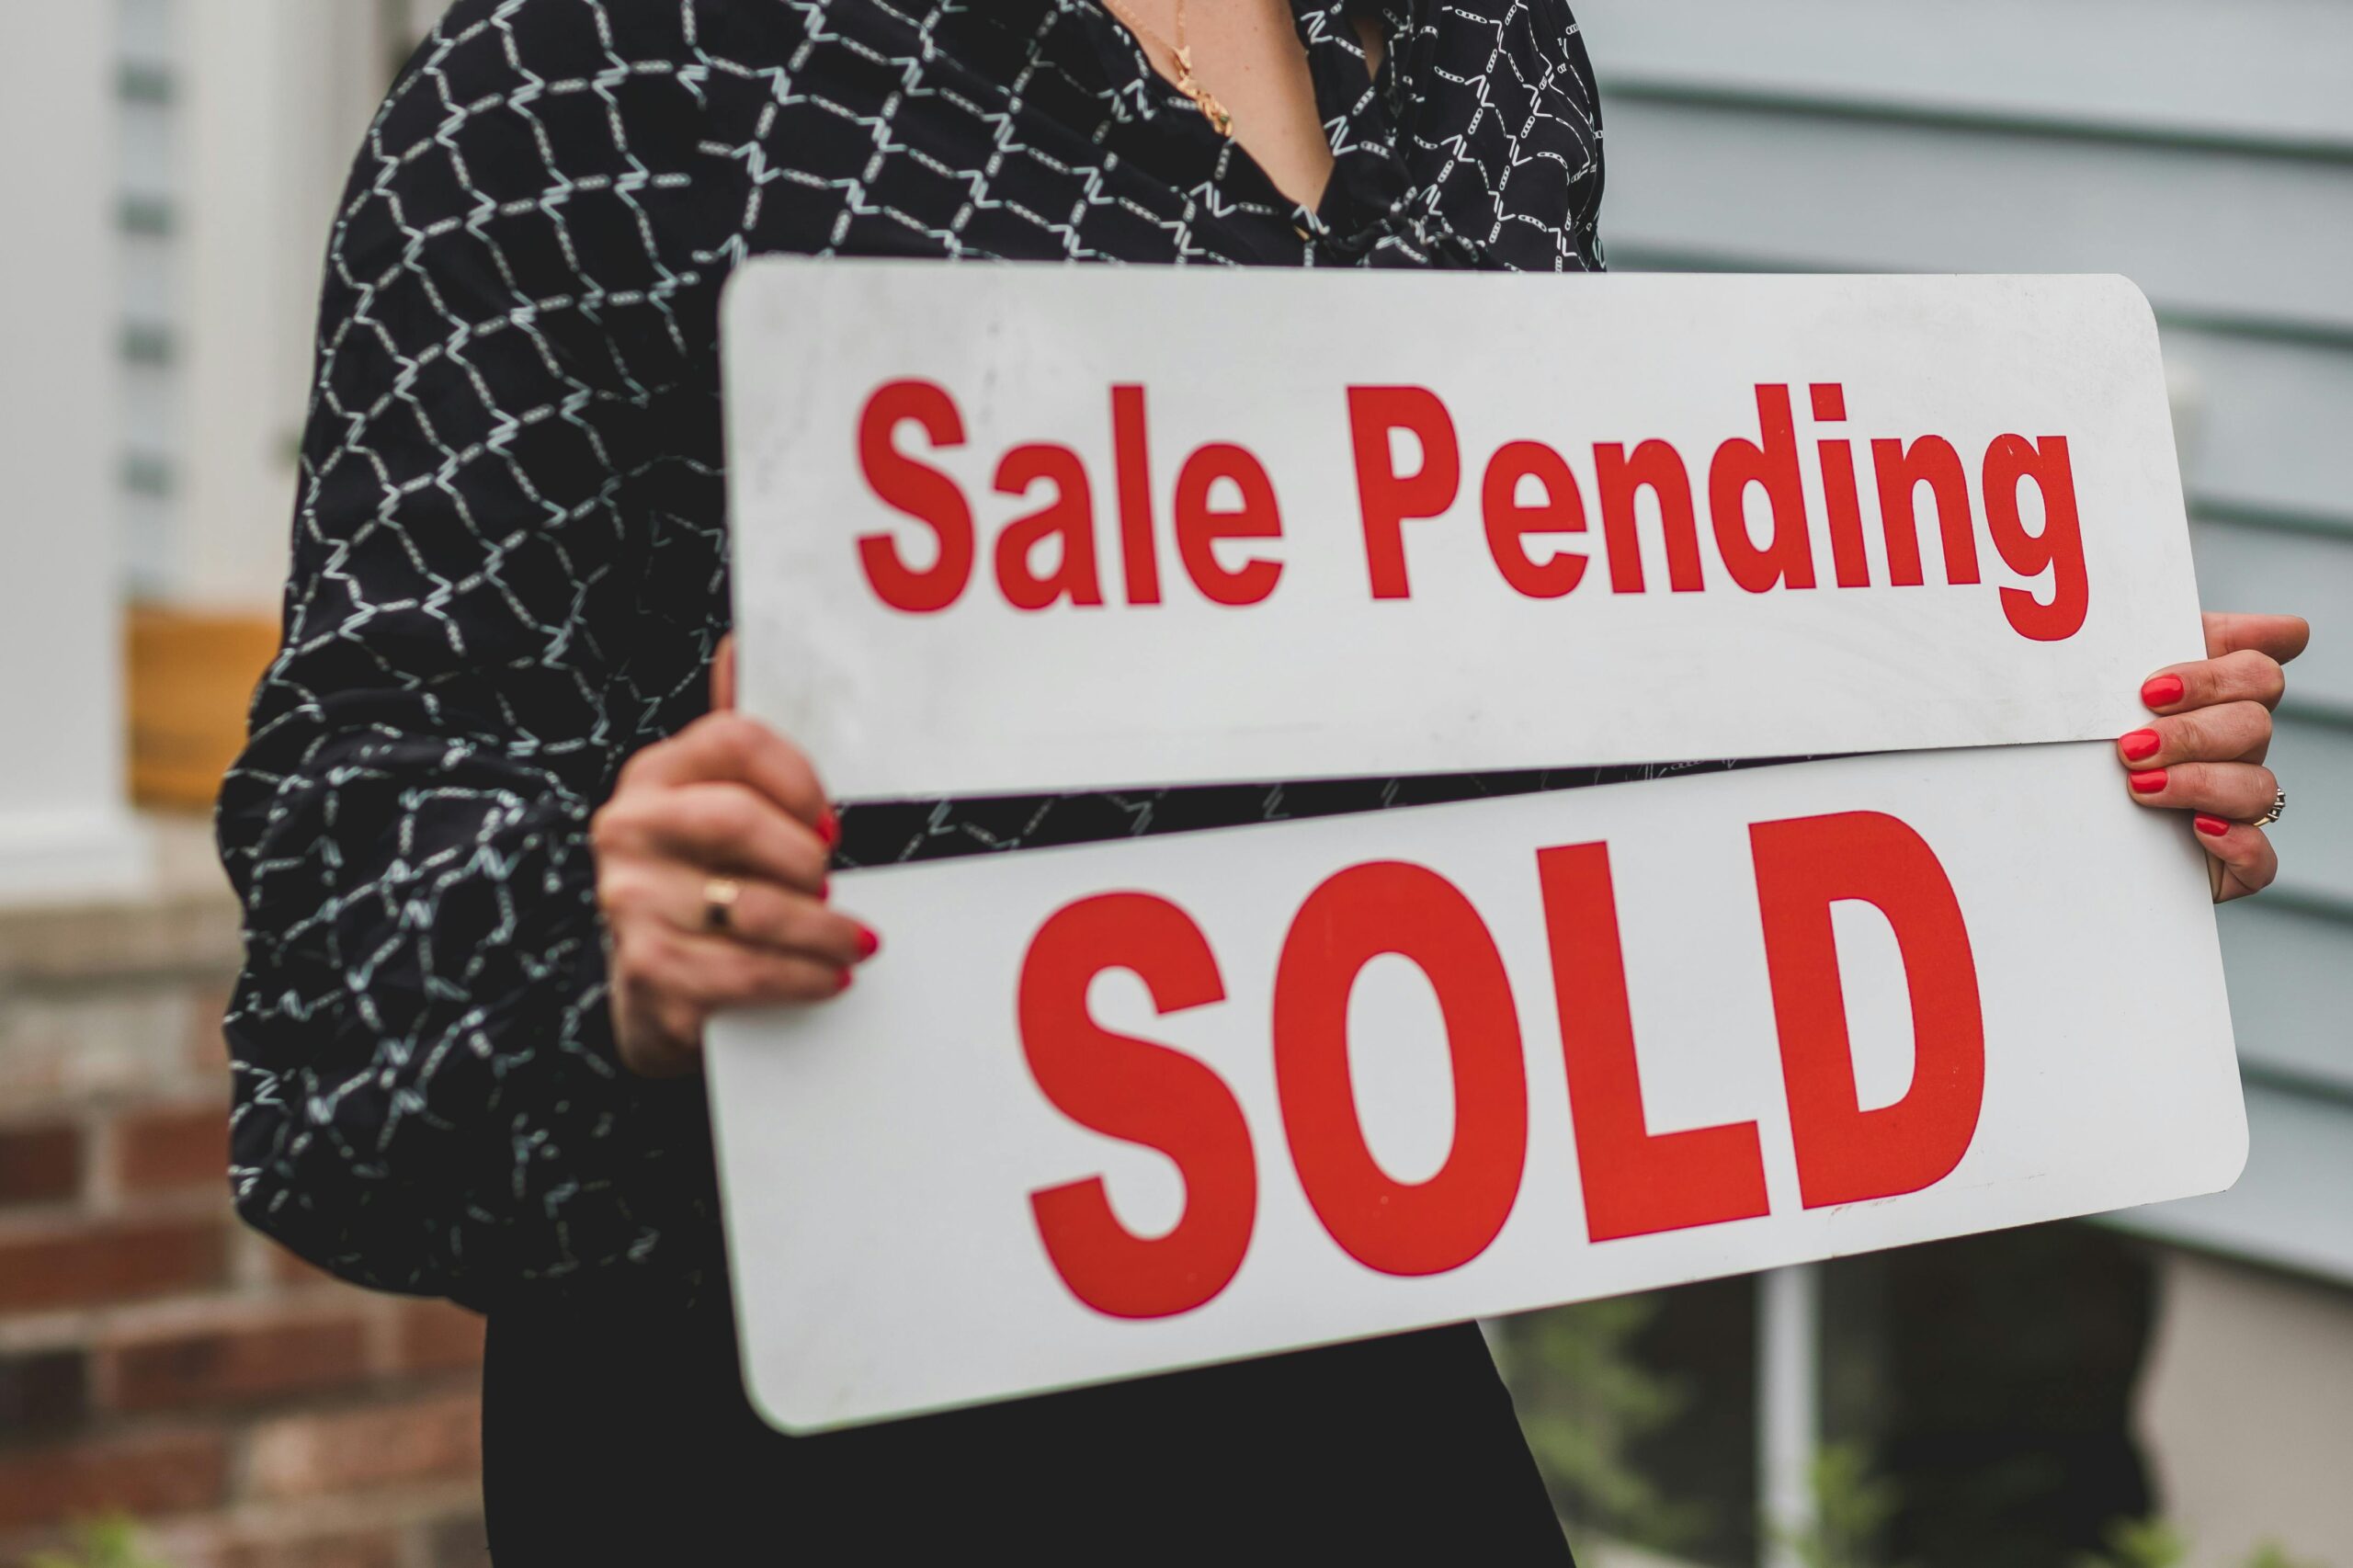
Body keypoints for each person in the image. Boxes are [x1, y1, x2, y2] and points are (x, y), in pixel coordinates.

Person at [216, 1, 2306, 1560]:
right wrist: (609, 929)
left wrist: (2037, 755)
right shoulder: (588, 77)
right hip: (793, 1401)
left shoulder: (1478, 53)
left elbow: (1521, 648)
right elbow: (341, 911)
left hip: (1329, 1342)